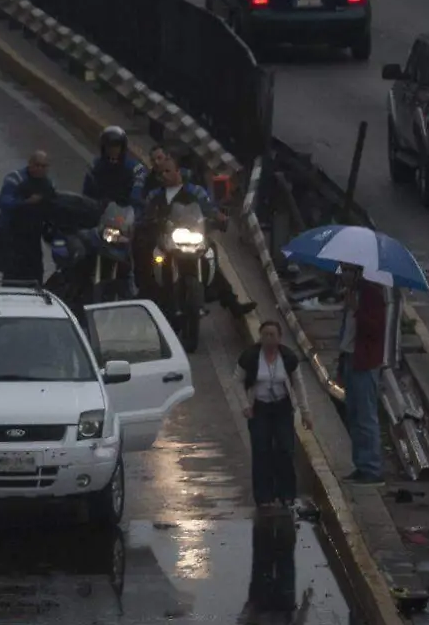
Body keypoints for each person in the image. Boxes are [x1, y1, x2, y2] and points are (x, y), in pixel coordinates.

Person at [132, 146, 256, 317]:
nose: (164, 175)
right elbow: (145, 214)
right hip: (164, 240)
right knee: (148, 257)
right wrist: (145, 223)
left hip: (189, 237)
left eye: (168, 171)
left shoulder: (195, 192)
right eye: (161, 173)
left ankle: (232, 303)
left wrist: (220, 219)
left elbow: (209, 209)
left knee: (210, 253)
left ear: (178, 171)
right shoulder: (155, 195)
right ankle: (142, 300)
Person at [240, 320, 310, 511]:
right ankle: (264, 495)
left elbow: (299, 385)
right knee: (261, 451)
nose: (269, 339)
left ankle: (286, 493)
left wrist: (305, 412)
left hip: (282, 407)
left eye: (273, 335)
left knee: (285, 449)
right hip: (259, 408)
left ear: (279, 338)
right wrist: (246, 405)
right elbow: (236, 382)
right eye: (265, 335)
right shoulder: (251, 357)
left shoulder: (287, 358)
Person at [338, 263, 388, 485]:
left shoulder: (371, 295)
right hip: (350, 358)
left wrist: (357, 309)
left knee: (366, 417)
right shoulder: (350, 293)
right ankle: (360, 464)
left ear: (358, 272)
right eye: (343, 269)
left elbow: (376, 329)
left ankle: (371, 469)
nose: (344, 274)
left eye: (349, 270)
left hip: (365, 363)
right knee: (354, 415)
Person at [0, 151, 54, 283]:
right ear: (30, 164)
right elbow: (3, 202)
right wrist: (25, 203)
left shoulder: (47, 184)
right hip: (10, 235)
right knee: (12, 275)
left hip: (33, 237)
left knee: (35, 274)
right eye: (37, 165)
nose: (40, 169)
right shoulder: (15, 179)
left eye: (44, 166)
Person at [82, 126, 145, 207]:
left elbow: (138, 192)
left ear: (122, 148)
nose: (113, 150)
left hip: (125, 213)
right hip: (99, 211)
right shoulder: (95, 166)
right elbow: (86, 194)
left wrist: (134, 201)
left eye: (116, 147)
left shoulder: (136, 168)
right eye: (109, 147)